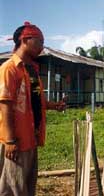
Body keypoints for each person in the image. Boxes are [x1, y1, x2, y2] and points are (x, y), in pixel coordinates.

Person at [0, 22, 66, 196]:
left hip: (31, 138)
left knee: (28, 187)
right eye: (40, 41)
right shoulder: (9, 69)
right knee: (12, 188)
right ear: (26, 39)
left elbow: (35, 101)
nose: (42, 47)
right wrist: (10, 141)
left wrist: (53, 106)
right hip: (16, 142)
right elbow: (5, 104)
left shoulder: (32, 71)